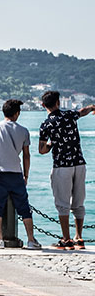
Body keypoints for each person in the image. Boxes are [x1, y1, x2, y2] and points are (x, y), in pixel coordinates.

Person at [38, 90, 93, 250]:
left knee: (62, 203)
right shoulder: (70, 115)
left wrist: (51, 144)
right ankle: (79, 237)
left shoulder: (46, 124)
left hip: (62, 166)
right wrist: (92, 107)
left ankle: (66, 239)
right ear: (58, 103)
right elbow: (83, 111)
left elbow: (42, 149)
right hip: (79, 164)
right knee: (79, 203)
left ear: (43, 105)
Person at [0, 99, 40, 249]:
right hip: (16, 173)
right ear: (17, 113)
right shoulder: (24, 131)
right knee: (24, 207)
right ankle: (31, 240)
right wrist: (26, 176)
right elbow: (26, 156)